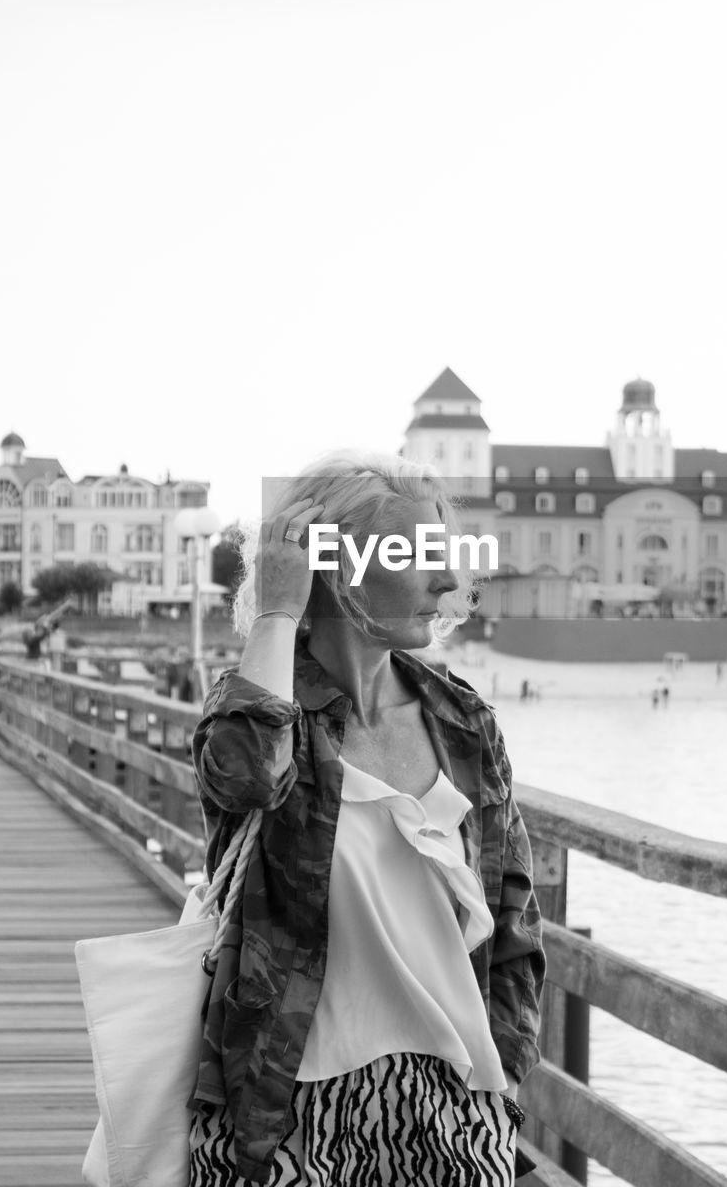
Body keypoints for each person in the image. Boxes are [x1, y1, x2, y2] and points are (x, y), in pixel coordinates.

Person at [189, 452, 546, 1186]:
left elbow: (515, 919)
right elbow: (249, 775)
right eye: (416, 555)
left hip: (457, 1119)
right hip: (282, 1116)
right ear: (333, 566)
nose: (447, 581)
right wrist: (279, 610)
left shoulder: (462, 719)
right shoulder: (266, 712)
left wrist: (504, 1082)